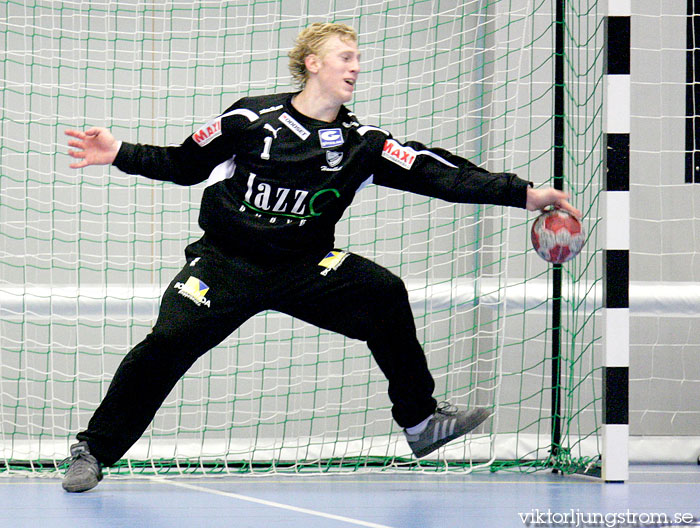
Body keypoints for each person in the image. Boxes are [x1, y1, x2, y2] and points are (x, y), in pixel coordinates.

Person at [61, 22, 580, 492]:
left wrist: (524, 194)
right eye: (345, 56)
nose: (356, 66)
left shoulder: (361, 143)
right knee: (165, 345)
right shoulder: (248, 117)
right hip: (224, 263)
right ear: (313, 63)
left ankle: (421, 422)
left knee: (382, 292)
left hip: (304, 266)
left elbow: (437, 172)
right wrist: (119, 152)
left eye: (357, 58)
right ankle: (94, 451)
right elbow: (183, 164)